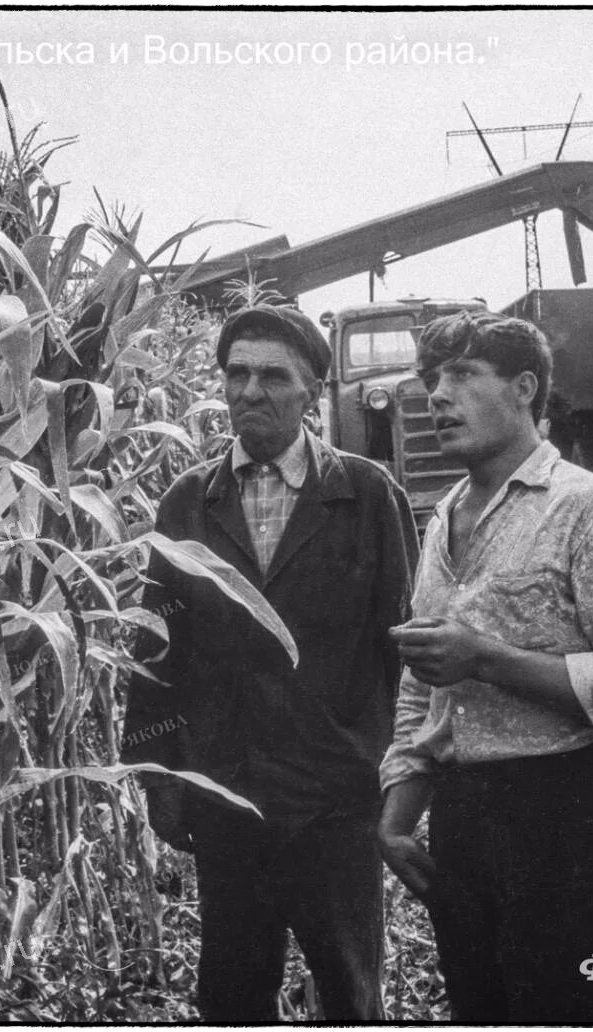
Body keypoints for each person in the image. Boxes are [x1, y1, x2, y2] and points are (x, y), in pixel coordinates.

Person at [376, 310, 593, 1022]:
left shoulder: (591, 511)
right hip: (463, 821)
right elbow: (424, 686)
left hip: (568, 815)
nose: (437, 396)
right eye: (431, 379)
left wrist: (486, 658)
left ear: (524, 388)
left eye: (461, 375)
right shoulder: (441, 520)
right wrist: (396, 819)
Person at [122, 304, 419, 1021]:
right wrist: (160, 778)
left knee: (350, 991)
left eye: (273, 376)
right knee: (231, 991)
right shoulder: (188, 503)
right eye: (237, 374)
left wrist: (401, 774)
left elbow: (402, 647)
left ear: (311, 391)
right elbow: (156, 652)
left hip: (336, 797)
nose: (250, 391)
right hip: (227, 794)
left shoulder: (367, 495)